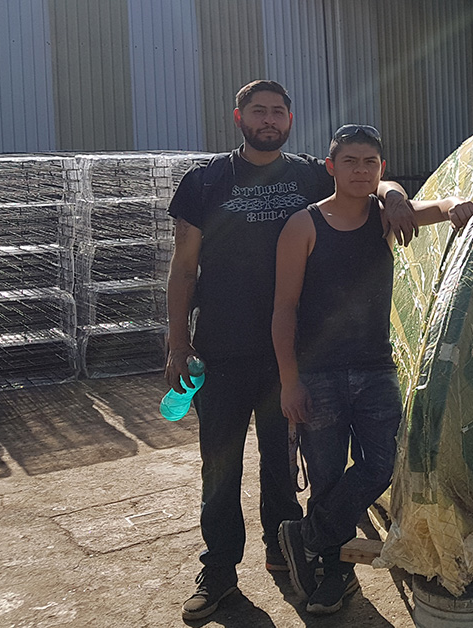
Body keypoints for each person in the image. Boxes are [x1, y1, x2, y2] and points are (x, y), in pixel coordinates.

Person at [167, 80, 417, 621]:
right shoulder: (205, 182)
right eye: (259, 111)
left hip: (295, 357)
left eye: (278, 112)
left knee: (283, 466)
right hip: (223, 351)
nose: (269, 120)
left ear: (290, 119)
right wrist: (177, 341)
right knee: (220, 467)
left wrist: (394, 194)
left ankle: (288, 556)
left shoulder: (308, 173)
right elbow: (184, 268)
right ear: (238, 117)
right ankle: (219, 574)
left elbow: (366, 178)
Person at [271, 124, 473, 615]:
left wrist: (453, 208)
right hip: (318, 374)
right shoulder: (304, 225)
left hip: (374, 369)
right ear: (331, 168)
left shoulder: (384, 221)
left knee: (381, 466)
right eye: (350, 162)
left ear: (380, 168)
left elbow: (445, 205)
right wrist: (289, 382)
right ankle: (334, 575)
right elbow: (284, 309)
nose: (361, 171)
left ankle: (304, 536)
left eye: (370, 164)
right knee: (324, 477)